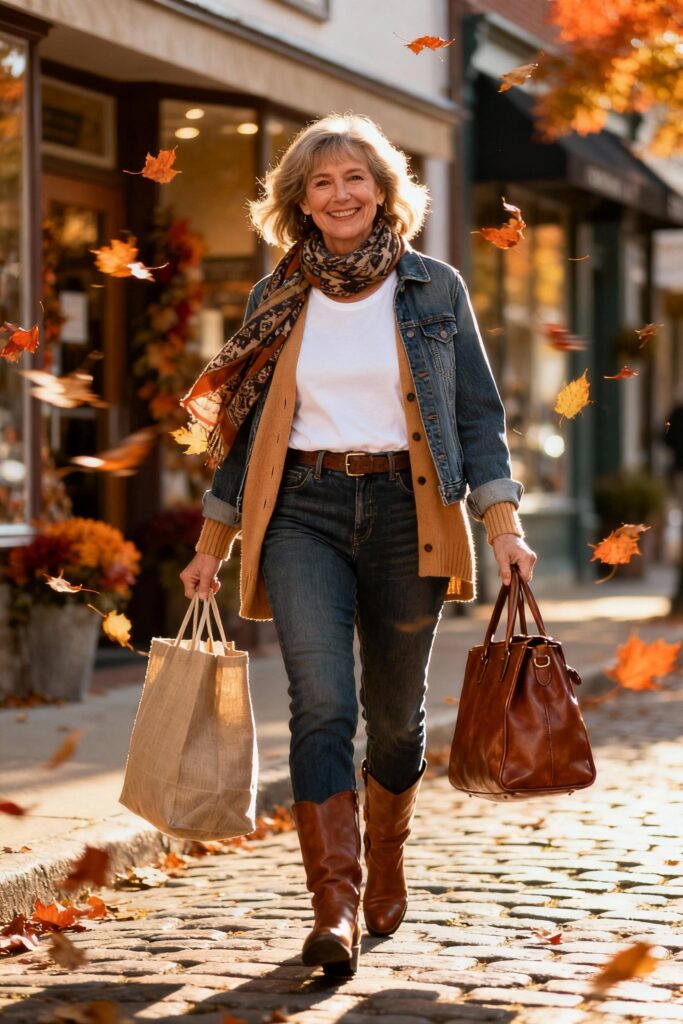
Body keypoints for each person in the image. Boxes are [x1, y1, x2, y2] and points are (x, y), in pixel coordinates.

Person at [179, 113, 537, 978]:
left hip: (410, 513)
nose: (339, 195)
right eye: (320, 182)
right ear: (299, 201)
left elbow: (478, 420)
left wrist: (504, 525)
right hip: (300, 509)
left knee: (393, 720)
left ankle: (389, 852)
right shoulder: (278, 295)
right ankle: (332, 904)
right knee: (321, 703)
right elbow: (245, 431)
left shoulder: (434, 288)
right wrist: (210, 542)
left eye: (354, 179)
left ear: (383, 192)